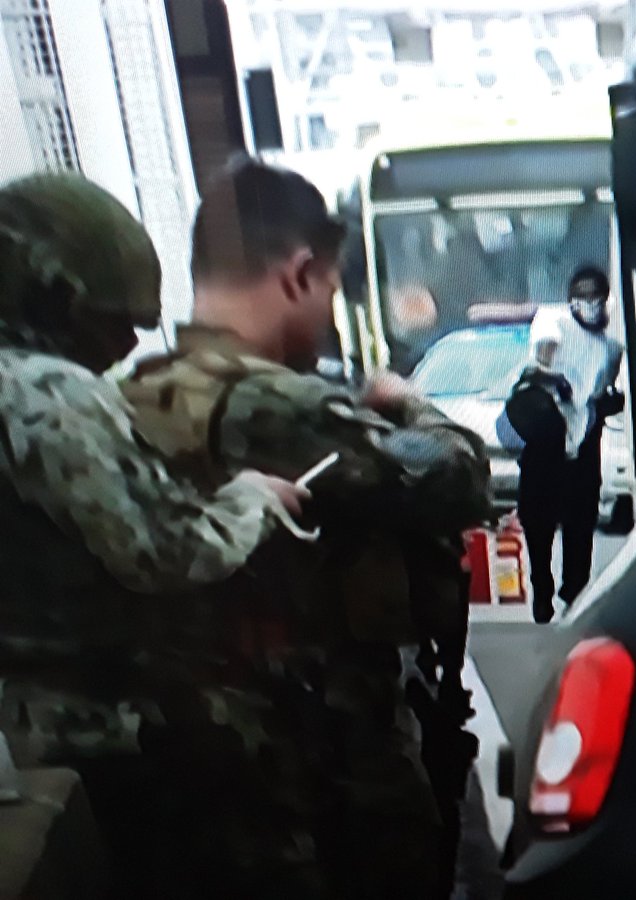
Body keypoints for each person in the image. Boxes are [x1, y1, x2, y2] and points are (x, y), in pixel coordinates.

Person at [121, 156, 491, 898]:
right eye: (328, 286)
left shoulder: (139, 395)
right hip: (327, 784)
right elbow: (459, 478)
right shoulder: (282, 407)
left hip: (195, 779)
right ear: (298, 273)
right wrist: (407, 401)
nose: (328, 309)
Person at [0, 173, 316, 897]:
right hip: (104, 736)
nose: (132, 338)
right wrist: (250, 499)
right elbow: (162, 551)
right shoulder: (48, 393)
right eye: (115, 317)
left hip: (27, 745)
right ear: (53, 294)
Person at [516, 266, 624, 624]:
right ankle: (542, 591)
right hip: (547, 439)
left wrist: (608, 402)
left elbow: (603, 390)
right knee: (539, 524)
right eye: (581, 295)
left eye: (595, 296)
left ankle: (573, 593)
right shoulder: (554, 321)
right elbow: (538, 363)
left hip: (583, 444)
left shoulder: (610, 345)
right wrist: (553, 378)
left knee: (580, 527)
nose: (589, 303)